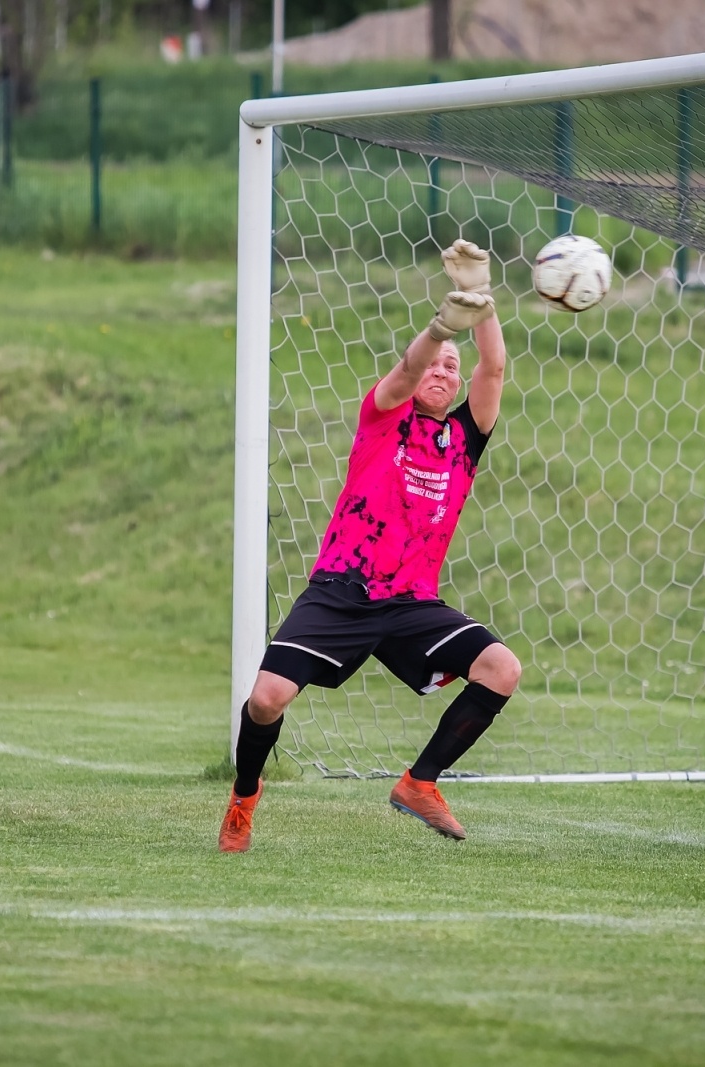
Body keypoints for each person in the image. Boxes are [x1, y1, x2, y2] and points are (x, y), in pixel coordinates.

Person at [219, 240, 522, 852]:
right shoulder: (385, 415)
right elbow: (408, 372)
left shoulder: (464, 439)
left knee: (501, 669)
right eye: (437, 364)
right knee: (266, 699)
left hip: (411, 600)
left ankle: (420, 783)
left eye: (450, 367)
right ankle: (244, 797)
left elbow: (494, 370)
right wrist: (441, 327)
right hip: (343, 589)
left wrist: (483, 303)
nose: (441, 372)